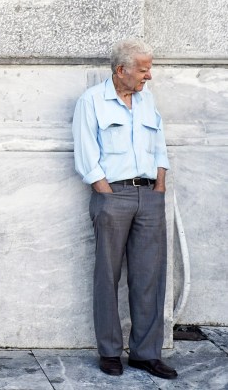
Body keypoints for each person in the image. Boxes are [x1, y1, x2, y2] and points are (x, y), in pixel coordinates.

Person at [72, 38, 177, 380]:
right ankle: (109, 351)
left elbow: (159, 145)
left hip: (149, 196)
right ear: (122, 70)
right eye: (144, 69)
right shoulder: (92, 102)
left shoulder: (148, 102)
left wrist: (159, 186)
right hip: (112, 195)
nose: (149, 76)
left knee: (149, 278)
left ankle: (146, 354)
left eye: (149, 68)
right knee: (107, 275)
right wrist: (103, 189)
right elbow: (86, 152)